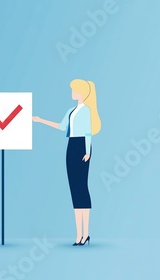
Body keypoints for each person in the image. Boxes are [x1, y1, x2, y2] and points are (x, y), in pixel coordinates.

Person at [33, 79, 101, 246]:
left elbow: (87, 132)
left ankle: (86, 233)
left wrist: (87, 151)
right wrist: (40, 120)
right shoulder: (71, 110)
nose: (71, 92)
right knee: (74, 190)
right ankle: (79, 235)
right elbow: (62, 126)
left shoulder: (86, 111)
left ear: (81, 92)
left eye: (73, 89)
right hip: (71, 146)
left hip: (81, 147)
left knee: (82, 187)